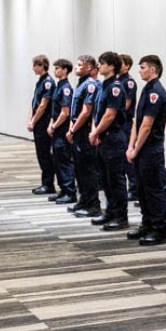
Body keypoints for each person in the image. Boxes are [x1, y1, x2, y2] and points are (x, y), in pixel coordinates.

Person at [126, 55, 166, 245]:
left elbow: (147, 125)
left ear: (153, 69)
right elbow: (137, 121)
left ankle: (158, 228)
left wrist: (136, 149)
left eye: (142, 67)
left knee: (153, 191)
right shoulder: (147, 89)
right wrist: (131, 146)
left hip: (151, 150)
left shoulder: (156, 92)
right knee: (142, 189)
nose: (140, 70)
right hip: (141, 149)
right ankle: (147, 223)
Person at [89, 52, 128, 231]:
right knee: (105, 179)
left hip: (113, 138)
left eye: (102, 63)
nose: (99, 66)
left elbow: (110, 115)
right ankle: (110, 212)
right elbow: (97, 112)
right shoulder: (103, 85)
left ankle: (120, 216)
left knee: (116, 179)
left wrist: (95, 132)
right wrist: (95, 131)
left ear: (112, 66)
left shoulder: (115, 87)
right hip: (103, 137)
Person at [67, 55, 101, 217]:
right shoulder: (81, 84)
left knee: (88, 170)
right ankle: (84, 199)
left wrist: (73, 130)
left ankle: (93, 204)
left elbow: (86, 112)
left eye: (79, 65)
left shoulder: (91, 85)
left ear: (89, 68)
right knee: (79, 169)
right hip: (77, 131)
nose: (76, 67)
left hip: (84, 132)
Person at [47, 58, 77, 204]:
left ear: (65, 70)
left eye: (58, 68)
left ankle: (70, 192)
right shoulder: (59, 86)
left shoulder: (65, 88)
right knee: (58, 161)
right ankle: (63, 190)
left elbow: (65, 112)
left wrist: (53, 126)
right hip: (57, 130)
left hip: (62, 130)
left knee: (64, 161)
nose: (55, 71)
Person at [28, 55, 56, 195]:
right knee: (41, 153)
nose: (33, 68)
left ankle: (48, 183)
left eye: (35, 65)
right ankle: (45, 181)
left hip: (44, 122)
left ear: (42, 66)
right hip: (38, 122)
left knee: (44, 153)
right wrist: (30, 119)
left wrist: (33, 120)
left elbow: (43, 105)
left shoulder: (48, 83)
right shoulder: (40, 82)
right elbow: (34, 103)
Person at [119, 54, 138, 201]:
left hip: (124, 122)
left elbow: (126, 104)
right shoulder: (117, 81)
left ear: (127, 66)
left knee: (128, 158)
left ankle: (134, 188)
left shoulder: (128, 82)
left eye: (120, 63)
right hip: (118, 123)